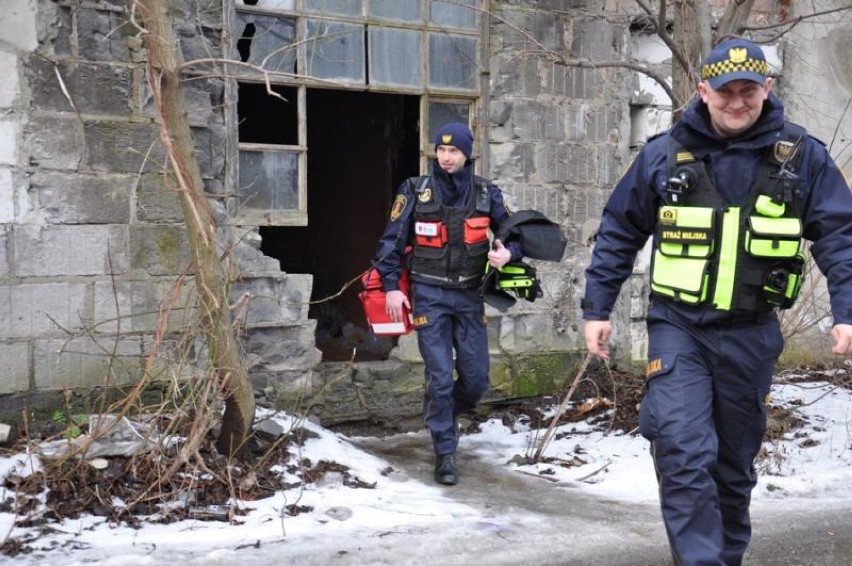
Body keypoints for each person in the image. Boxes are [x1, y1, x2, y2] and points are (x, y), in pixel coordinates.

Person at [582, 38, 852, 565]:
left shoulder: (802, 158)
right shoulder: (663, 154)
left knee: (732, 466)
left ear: (765, 89)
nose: (736, 102)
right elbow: (618, 229)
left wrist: (848, 309)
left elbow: (840, 237)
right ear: (702, 90)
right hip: (678, 327)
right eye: (724, 91)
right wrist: (597, 308)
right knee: (683, 450)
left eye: (747, 90)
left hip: (751, 333)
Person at [370, 122, 519, 486]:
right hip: (429, 296)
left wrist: (508, 252)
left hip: (469, 296)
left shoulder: (487, 193)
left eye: (454, 151)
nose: (446, 156)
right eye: (441, 150)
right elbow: (391, 241)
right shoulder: (414, 190)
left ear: (467, 154)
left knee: (477, 379)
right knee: (439, 377)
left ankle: (443, 411)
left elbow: (514, 231)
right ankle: (445, 451)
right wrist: (391, 286)